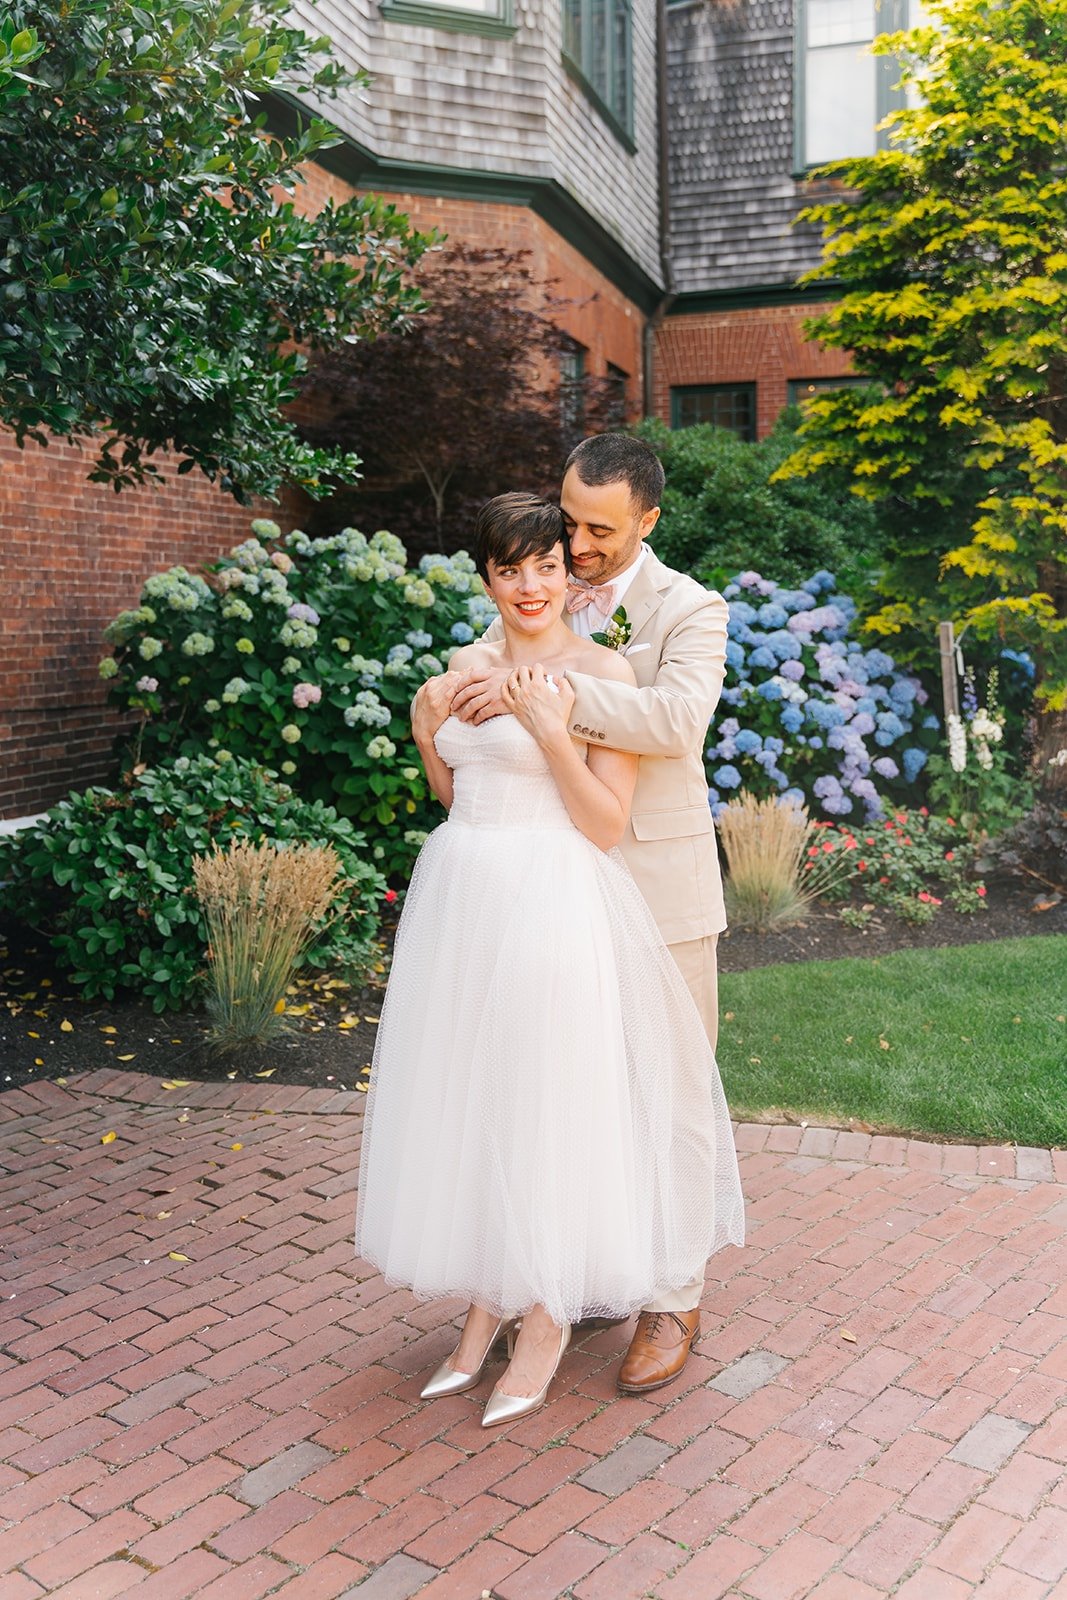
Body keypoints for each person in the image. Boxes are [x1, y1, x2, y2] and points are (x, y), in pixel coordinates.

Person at [355, 492, 743, 1428]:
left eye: (545, 566)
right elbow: (456, 790)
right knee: (479, 1094)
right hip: (465, 898)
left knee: (549, 1099)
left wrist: (545, 724)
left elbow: (605, 824)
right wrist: (422, 736)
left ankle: (544, 1318)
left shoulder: (600, 668)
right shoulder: (462, 663)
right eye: (509, 569)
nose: (529, 585)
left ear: (568, 573)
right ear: (484, 577)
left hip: (552, 900)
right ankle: (488, 1298)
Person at [451, 433, 731, 1394]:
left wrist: (548, 698)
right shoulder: (541, 586)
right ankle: (575, 1269)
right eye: (567, 521)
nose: (574, 545)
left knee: (677, 1093)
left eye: (597, 530)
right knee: (571, 1089)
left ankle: (673, 1296)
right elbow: (476, 678)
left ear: (647, 521)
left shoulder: (689, 610)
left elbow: (673, 722)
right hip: (551, 890)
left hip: (659, 883)